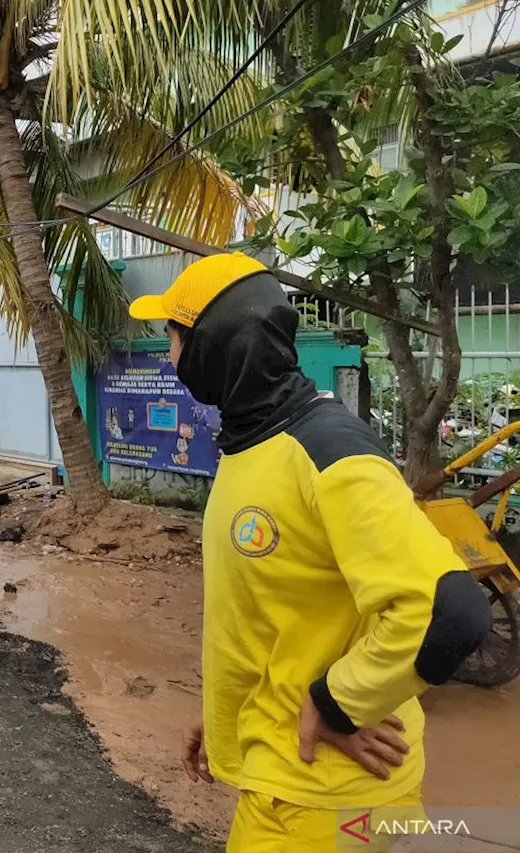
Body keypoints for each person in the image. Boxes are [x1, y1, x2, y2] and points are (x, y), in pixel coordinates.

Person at [127, 253, 492, 851]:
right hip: (289, 782)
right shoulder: (252, 445)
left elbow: (449, 610)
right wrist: (229, 720)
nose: (168, 358)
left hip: (324, 805)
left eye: (171, 337)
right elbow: (273, 616)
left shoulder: (328, 452)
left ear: (211, 345)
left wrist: (337, 704)